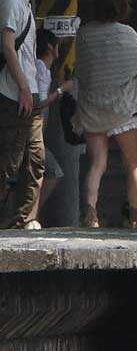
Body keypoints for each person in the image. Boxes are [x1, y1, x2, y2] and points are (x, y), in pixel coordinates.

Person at [73, 0, 137, 229]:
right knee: (132, 164)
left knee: (96, 164)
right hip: (123, 110)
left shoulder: (84, 34)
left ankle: (90, 215)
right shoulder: (126, 33)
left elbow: (81, 70)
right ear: (121, 6)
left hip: (92, 109)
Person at [0, 0, 45, 229]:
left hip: (31, 91)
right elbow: (7, 46)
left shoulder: (25, 2)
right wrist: (24, 89)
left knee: (35, 159)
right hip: (14, 93)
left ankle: (25, 218)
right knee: (10, 161)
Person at [34, 29, 73, 214]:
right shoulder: (40, 68)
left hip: (36, 136)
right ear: (50, 47)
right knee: (53, 172)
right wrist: (61, 90)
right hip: (32, 135)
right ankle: (30, 215)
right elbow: (40, 102)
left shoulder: (43, 69)